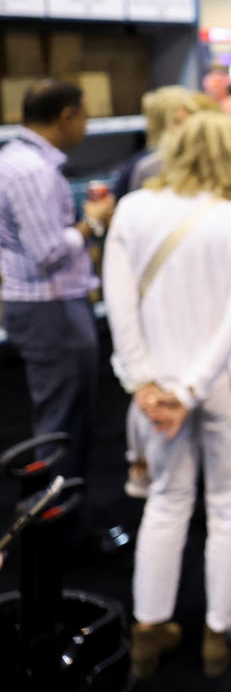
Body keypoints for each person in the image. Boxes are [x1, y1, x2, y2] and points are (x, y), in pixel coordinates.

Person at [101, 112, 231, 678]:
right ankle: (220, 636)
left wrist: (146, 384)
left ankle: (149, 631)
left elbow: (119, 305)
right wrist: (191, 387)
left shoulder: (132, 209)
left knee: (167, 502)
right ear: (230, 154)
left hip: (158, 389)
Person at [0, 79, 117, 484]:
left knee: (65, 417)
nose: (86, 125)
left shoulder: (24, 160)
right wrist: (92, 223)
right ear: (66, 115)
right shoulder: (32, 170)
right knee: (63, 423)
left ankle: (59, 520)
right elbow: (47, 252)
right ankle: (53, 525)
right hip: (49, 306)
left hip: (46, 305)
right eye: (84, 115)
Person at [113, 85, 202, 199]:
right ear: (161, 123)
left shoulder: (203, 160)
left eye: (192, 121)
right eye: (177, 122)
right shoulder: (145, 166)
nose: (188, 129)